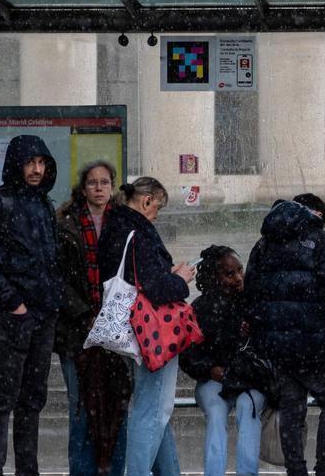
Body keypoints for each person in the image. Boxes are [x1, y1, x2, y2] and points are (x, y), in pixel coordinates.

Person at [0, 135, 64, 476]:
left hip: (42, 314)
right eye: (30, 163)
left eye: (42, 163)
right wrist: (14, 303)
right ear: (16, 165)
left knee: (32, 399)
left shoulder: (44, 204)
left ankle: (28, 469)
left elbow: (49, 258)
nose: (37, 170)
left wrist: (51, 302)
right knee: (2, 398)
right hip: (10, 315)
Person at [244, 198, 325, 476]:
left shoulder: (262, 247)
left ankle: (296, 469)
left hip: (279, 348)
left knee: (291, 408)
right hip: (319, 344)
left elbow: (252, 296)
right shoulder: (322, 242)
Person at [97, 176, 195, 476]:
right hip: (152, 331)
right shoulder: (138, 231)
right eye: (158, 208)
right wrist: (180, 278)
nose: (157, 215)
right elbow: (155, 287)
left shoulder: (113, 226)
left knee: (154, 411)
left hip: (128, 326)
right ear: (146, 200)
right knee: (152, 410)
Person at [54, 160, 130, 476]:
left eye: (104, 182)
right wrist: (85, 313)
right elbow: (58, 279)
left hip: (117, 332)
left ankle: (114, 471)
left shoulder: (124, 223)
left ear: (112, 187)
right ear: (82, 188)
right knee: (81, 410)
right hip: (78, 332)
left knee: (118, 409)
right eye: (92, 182)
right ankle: (82, 471)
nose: (99, 188)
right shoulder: (66, 225)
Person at [181, 245, 264, 476]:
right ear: (213, 278)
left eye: (240, 270)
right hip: (213, 381)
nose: (238, 278)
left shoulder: (253, 303)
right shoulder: (199, 309)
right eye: (229, 274)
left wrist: (254, 331)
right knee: (217, 413)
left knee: (249, 408)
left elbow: (269, 344)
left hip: (248, 380)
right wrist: (211, 370)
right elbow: (188, 356)